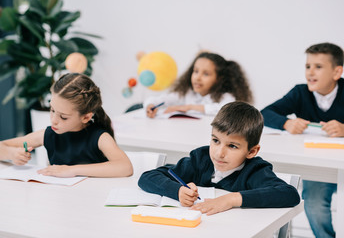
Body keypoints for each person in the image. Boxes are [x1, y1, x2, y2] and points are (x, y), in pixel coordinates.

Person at [138, 101, 300, 215]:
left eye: (232, 146)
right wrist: (177, 190)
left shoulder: (255, 171)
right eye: (215, 141)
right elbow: (147, 178)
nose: (219, 153)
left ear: (251, 151)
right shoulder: (200, 159)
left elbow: (289, 194)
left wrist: (230, 199)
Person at [261, 42, 344, 238]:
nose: (310, 72)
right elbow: (264, 113)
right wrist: (286, 123)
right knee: (313, 202)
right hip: (319, 164)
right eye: (308, 66)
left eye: (318, 67)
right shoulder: (300, 92)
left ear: (336, 72)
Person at [0, 73, 133, 178]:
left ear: (86, 117)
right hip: (59, 202)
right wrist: (12, 153)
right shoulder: (48, 134)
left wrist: (72, 170)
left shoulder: (100, 138)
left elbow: (125, 167)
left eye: (63, 117)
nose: (54, 120)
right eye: (52, 110)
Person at [145, 52, 253, 118]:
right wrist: (150, 105)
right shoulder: (187, 93)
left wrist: (189, 107)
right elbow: (163, 99)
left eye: (206, 74)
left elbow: (226, 111)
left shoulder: (226, 96)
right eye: (195, 71)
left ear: (219, 79)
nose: (198, 77)